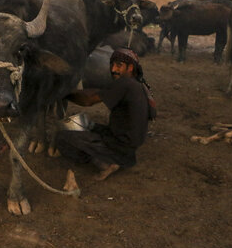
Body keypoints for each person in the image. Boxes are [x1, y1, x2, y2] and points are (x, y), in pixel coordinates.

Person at [53, 47, 156, 180]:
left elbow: (88, 100)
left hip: (120, 144)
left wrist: (63, 93)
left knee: (62, 138)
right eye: (112, 65)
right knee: (90, 125)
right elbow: (96, 93)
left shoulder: (125, 84)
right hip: (130, 143)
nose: (113, 70)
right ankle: (118, 156)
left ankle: (104, 163)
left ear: (130, 68)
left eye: (119, 66)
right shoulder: (137, 85)